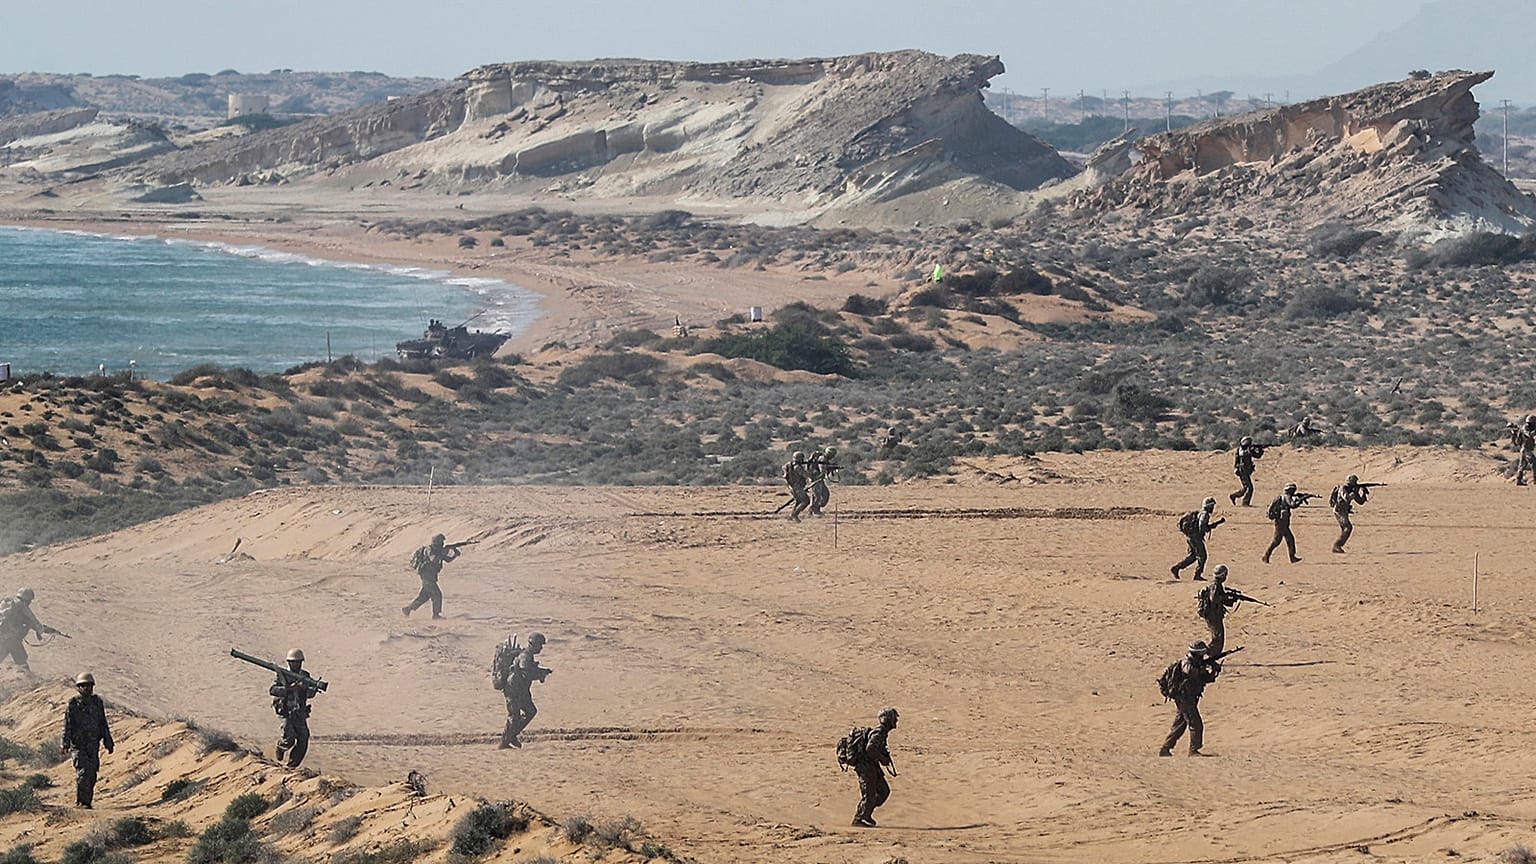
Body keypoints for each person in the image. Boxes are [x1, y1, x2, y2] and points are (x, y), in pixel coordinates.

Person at [1158, 641, 1222, 757]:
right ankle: (1193, 750)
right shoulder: (1186, 663)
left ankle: (1165, 748)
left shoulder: (1196, 663)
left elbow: (1204, 679)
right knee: (1195, 724)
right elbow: (1190, 672)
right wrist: (1203, 667)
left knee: (1179, 725)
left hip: (1190, 698)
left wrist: (1213, 671)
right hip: (1184, 698)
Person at [61, 672, 113, 808]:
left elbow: (103, 723)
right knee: (83, 773)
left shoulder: (97, 703)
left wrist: (108, 741)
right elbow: (68, 724)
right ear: (78, 688)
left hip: (93, 745)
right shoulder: (73, 704)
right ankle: (82, 802)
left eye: (89, 685)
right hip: (78, 746)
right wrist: (65, 743)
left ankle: (87, 802)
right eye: (83, 685)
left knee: (92, 774)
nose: (86, 688)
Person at [270, 648, 321, 768]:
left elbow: (311, 694)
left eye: (298, 662)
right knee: (289, 738)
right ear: (289, 662)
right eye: (293, 662)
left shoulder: (305, 676)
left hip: (299, 712)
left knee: (303, 738)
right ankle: (280, 747)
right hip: (285, 711)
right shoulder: (282, 675)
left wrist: (306, 689)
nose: (296, 664)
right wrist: (289, 689)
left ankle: (291, 766)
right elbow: (273, 690)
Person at [499, 632, 551, 749]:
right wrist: (539, 674)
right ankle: (504, 743)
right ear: (532, 644)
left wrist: (542, 671)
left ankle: (512, 735)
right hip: (514, 690)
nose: (541, 648)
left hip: (521, 690)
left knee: (530, 711)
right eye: (539, 645)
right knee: (514, 716)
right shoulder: (525, 656)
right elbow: (525, 672)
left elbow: (528, 670)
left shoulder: (527, 656)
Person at [850, 707, 899, 827]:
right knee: (870, 794)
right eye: (894, 719)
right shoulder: (879, 732)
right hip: (865, 766)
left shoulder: (882, 732)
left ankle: (866, 813)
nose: (896, 721)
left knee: (884, 791)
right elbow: (870, 748)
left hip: (872, 766)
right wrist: (882, 758)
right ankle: (859, 818)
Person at [0, 588, 63, 673]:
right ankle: (28, 677)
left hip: (2, 637)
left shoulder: (5, 603)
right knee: (21, 659)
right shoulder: (23, 607)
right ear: (28, 599)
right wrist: (49, 630)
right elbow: (35, 624)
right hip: (11, 639)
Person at [403, 534, 461, 619]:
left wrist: (455, 554)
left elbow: (447, 560)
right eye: (441, 541)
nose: (442, 543)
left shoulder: (437, 550)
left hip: (431, 576)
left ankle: (408, 609)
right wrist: (443, 553)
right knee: (437, 594)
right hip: (426, 575)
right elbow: (433, 559)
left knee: (424, 596)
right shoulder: (429, 549)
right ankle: (436, 615)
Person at [1171, 497, 1224, 581]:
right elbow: (1202, 526)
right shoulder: (1205, 514)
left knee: (1193, 556)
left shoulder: (1201, 513)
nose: (1213, 508)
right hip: (1196, 538)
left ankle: (1177, 568)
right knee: (1202, 556)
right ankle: (1197, 574)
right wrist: (1211, 526)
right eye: (1212, 506)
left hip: (1191, 536)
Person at [1196, 566, 1238, 657]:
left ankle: (1212, 653)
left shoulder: (1216, 585)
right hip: (1212, 615)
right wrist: (1226, 597)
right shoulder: (1215, 585)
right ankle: (1207, 653)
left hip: (1213, 614)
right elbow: (1214, 599)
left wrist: (1231, 598)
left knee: (1218, 636)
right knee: (1217, 637)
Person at [1263, 482, 1307, 564]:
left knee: (1289, 540)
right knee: (1277, 541)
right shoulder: (1287, 497)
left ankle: (1292, 557)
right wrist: (1301, 499)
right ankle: (1266, 556)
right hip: (1281, 523)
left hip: (1283, 523)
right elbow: (1292, 505)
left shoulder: (1284, 497)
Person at [1331, 475, 1370, 553]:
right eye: (1354, 482)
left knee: (1346, 529)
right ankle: (1337, 545)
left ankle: (1338, 546)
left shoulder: (1352, 490)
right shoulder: (1343, 488)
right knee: (1348, 528)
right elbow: (1346, 498)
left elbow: (1360, 502)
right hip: (1339, 510)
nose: (1356, 483)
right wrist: (1353, 493)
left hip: (1344, 511)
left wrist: (1363, 494)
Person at [1228, 437, 1264, 507]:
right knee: (1249, 488)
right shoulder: (1241, 450)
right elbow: (1241, 457)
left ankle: (1234, 496)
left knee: (1245, 488)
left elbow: (1257, 456)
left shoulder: (1245, 450)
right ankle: (1245, 502)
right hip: (1242, 471)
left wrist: (1260, 451)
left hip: (1245, 471)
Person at [783, 452, 812, 522]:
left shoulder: (790, 466)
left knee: (798, 501)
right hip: (797, 487)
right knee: (806, 501)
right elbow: (806, 475)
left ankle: (791, 516)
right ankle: (795, 514)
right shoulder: (798, 467)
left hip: (793, 487)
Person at [810, 446, 838, 515]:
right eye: (833, 455)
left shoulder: (824, 459)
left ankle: (813, 509)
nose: (833, 457)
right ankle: (815, 510)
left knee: (823, 494)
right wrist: (829, 469)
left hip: (819, 479)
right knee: (818, 496)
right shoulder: (822, 459)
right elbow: (822, 470)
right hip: (816, 479)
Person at [1511, 415, 1536, 486]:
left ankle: (1519, 480)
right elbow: (1528, 434)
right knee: (1534, 463)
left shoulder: (1529, 428)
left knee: (1522, 465)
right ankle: (1535, 480)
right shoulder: (1525, 428)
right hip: (1526, 449)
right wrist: (1534, 432)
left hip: (1525, 449)